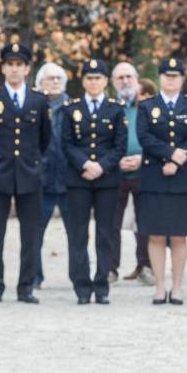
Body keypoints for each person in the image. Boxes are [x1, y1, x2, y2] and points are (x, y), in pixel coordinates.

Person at [0, 41, 51, 304]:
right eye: (10, 64)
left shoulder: (38, 100)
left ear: (28, 69)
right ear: (3, 68)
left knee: (30, 235)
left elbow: (44, 139)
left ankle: (25, 287)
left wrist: (33, 163)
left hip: (29, 175)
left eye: (20, 65)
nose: (15, 70)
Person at [137, 57, 187, 305]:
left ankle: (176, 288)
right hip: (154, 175)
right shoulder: (147, 106)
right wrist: (168, 154)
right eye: (166, 75)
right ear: (160, 77)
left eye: (175, 76)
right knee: (155, 234)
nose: (171, 80)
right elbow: (144, 136)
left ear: (182, 79)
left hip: (184, 176)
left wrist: (177, 160)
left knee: (179, 235)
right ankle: (159, 286)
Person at [61, 59, 127, 304]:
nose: (94, 82)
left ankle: (101, 285)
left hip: (106, 179)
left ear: (106, 81)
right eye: (89, 78)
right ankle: (81, 286)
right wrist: (85, 164)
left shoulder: (115, 109)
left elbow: (119, 145)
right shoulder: (71, 108)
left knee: (105, 233)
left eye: (98, 78)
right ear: (83, 81)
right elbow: (66, 143)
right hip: (78, 179)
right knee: (78, 233)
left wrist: (101, 166)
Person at [109, 62, 153, 285]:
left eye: (129, 76)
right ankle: (110, 268)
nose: (125, 81)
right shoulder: (109, 107)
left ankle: (145, 266)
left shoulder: (148, 107)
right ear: (113, 82)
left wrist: (142, 158)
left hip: (143, 171)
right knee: (111, 223)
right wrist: (115, 160)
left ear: (137, 79)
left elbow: (158, 138)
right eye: (120, 78)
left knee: (144, 222)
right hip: (115, 172)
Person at [35, 62, 69, 287]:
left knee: (77, 234)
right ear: (39, 84)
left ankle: (79, 277)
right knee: (34, 233)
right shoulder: (33, 106)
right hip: (41, 180)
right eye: (50, 78)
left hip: (69, 180)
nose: (55, 82)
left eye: (58, 78)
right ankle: (34, 277)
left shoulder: (73, 108)